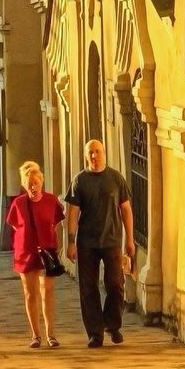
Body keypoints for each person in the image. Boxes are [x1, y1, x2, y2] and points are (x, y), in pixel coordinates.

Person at [66, 138, 134, 347]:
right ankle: (95, 333)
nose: (94, 156)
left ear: (104, 153)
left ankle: (112, 324)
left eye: (97, 151)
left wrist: (129, 240)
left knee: (115, 284)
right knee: (88, 288)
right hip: (87, 242)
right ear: (86, 156)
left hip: (112, 240)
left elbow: (125, 209)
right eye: (90, 153)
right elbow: (73, 213)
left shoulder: (115, 178)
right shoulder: (80, 181)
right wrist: (70, 241)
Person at [4, 160, 64, 349]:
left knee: (48, 292)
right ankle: (35, 335)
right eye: (29, 183)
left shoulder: (51, 201)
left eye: (36, 183)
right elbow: (14, 224)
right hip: (26, 252)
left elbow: (56, 223)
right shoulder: (19, 203)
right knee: (30, 294)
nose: (33, 187)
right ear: (24, 184)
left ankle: (51, 334)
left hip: (47, 251)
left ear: (41, 182)